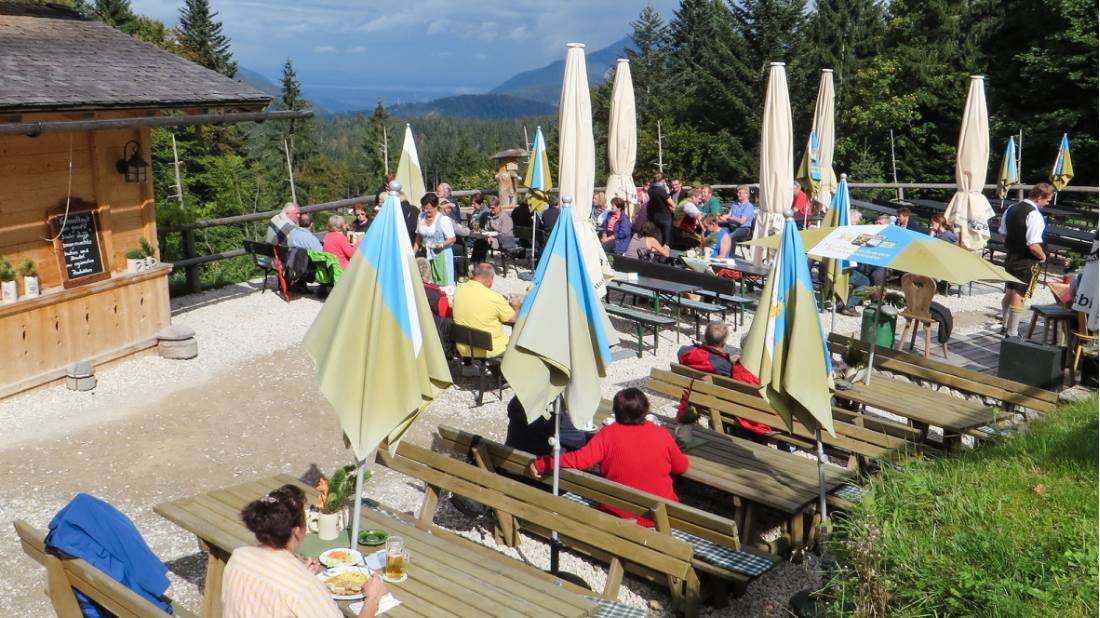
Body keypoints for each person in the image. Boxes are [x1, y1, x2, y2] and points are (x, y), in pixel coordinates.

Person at [528, 388, 688, 527]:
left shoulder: (608, 434)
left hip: (617, 513)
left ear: (616, 412)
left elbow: (579, 460)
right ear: (645, 411)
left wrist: (543, 463)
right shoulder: (661, 433)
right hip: (659, 516)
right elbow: (681, 467)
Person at [222, 484, 386, 618]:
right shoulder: (304, 587)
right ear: (297, 531)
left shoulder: (239, 557)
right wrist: (372, 599)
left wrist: (300, 573)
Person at [677, 322, 773, 436]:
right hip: (721, 407)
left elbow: (684, 350)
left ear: (706, 337)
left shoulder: (686, 353)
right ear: (724, 342)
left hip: (696, 400)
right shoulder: (724, 366)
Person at [999, 183, 1052, 336]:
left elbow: (1003, 233)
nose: (1047, 204)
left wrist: (1013, 244)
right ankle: (1012, 332)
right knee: (1019, 293)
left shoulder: (1011, 209)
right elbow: (1033, 245)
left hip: (1011, 255)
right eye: (1047, 200)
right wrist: (1043, 257)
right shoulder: (1034, 215)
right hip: (1026, 260)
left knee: (1010, 289)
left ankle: (1004, 323)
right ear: (1040, 197)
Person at [452, 263, 521, 358]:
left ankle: (469, 366)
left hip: (464, 347)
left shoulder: (459, 289)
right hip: (490, 349)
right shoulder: (494, 297)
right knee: (516, 337)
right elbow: (514, 319)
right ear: (489, 278)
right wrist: (516, 306)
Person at [505, 396, 588, 457]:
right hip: (539, 474)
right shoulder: (557, 420)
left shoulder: (516, 403)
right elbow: (581, 441)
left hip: (508, 466)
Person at [414, 192, 457, 286]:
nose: (426, 211)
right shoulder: (421, 217)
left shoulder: (443, 220)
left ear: (436, 206)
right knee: (427, 282)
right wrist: (413, 252)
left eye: (429, 209)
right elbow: (418, 236)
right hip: (426, 254)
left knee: (443, 283)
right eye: (424, 208)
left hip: (442, 255)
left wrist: (441, 244)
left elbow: (453, 239)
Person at [471, 197, 514, 263]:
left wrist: (490, 234)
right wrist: (484, 232)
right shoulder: (490, 216)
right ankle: (477, 264)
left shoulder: (505, 218)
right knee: (479, 241)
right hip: (492, 238)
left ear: (499, 206)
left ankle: (479, 264)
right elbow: (487, 228)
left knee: (481, 242)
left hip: (504, 240)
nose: (491, 210)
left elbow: (504, 234)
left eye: (493, 208)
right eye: (490, 208)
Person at [646, 173, 676, 245]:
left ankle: (658, 252)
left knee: (658, 238)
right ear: (662, 180)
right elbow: (672, 204)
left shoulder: (650, 190)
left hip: (655, 216)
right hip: (665, 217)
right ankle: (666, 253)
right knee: (667, 240)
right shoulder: (661, 190)